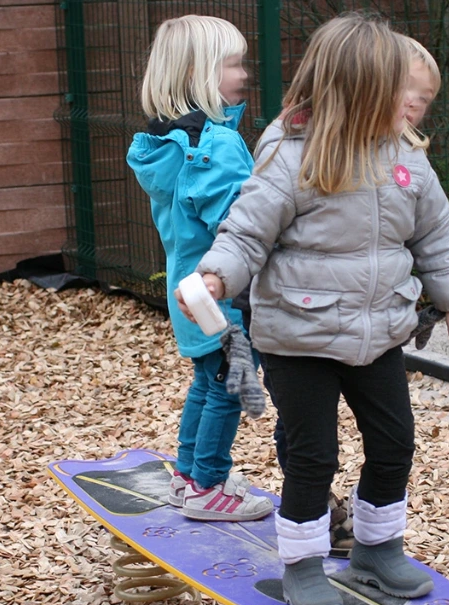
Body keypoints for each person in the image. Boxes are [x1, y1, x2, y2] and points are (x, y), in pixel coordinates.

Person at [178, 14, 449, 605]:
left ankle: (377, 547)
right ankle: (304, 565)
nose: (410, 101)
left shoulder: (406, 159)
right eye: (399, 88)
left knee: (394, 443)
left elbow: (436, 234)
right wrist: (216, 276)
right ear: (361, 91)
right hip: (300, 336)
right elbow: (246, 231)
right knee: (313, 455)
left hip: (379, 334)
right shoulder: (292, 156)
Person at [126, 15, 272, 522]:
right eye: (233, 64)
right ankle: (208, 486)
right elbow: (242, 224)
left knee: (207, 383)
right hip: (221, 293)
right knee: (231, 390)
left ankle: (187, 477)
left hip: (186, 289)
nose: (244, 73)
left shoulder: (165, 145)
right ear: (198, 74)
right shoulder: (213, 147)